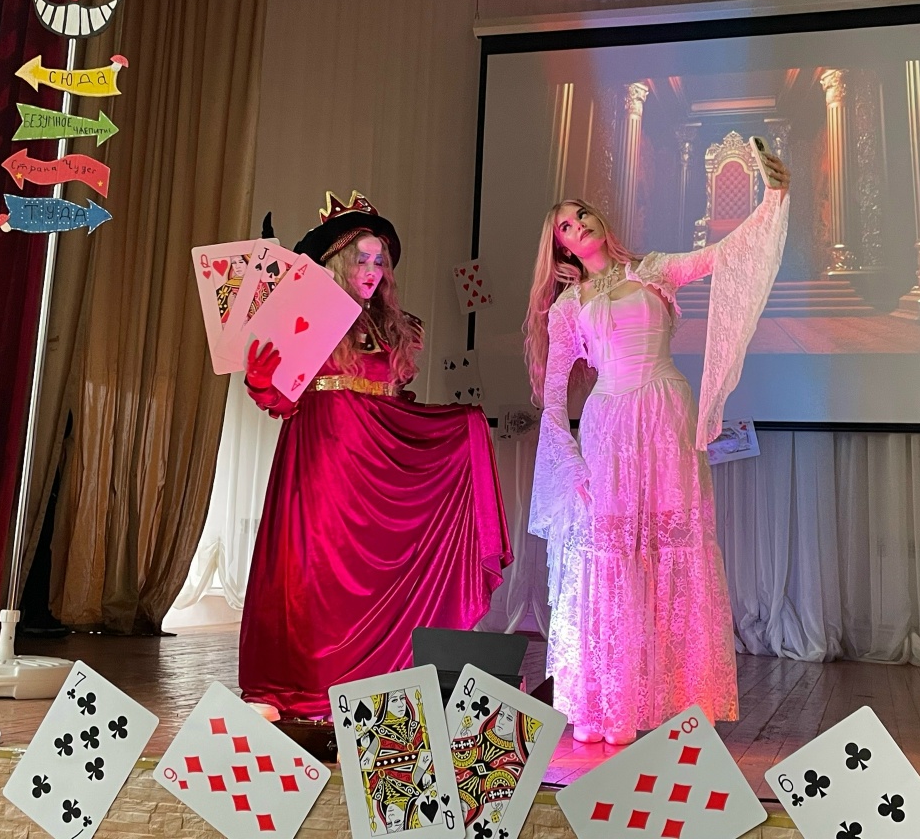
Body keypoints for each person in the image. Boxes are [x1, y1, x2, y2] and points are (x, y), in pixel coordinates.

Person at [524, 155, 791, 745]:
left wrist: (772, 200)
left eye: (581, 213)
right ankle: (610, 703)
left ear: (599, 220)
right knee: (612, 555)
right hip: (609, 428)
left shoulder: (655, 270)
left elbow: (723, 255)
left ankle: (676, 700)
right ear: (561, 248)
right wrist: (568, 462)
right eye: (565, 225)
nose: (578, 224)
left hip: (666, 416)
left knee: (669, 550)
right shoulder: (568, 306)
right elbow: (553, 398)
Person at [239, 191, 512, 720]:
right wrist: (263, 376)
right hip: (325, 457)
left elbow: (394, 400)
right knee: (319, 572)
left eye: (379, 260)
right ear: (337, 262)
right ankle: (304, 683)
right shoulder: (305, 316)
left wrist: (452, 428)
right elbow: (280, 399)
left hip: (381, 463)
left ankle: (377, 685)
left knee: (376, 578)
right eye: (361, 258)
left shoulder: (394, 326)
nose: (371, 270)